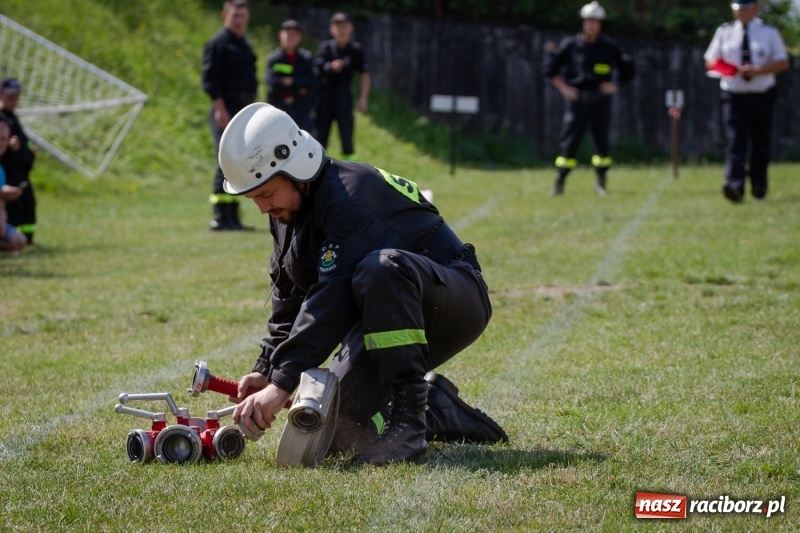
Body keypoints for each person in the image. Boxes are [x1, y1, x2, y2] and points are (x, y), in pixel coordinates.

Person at [221, 103, 508, 466]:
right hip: (391, 308)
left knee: (380, 268)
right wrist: (266, 370)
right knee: (335, 426)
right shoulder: (287, 208)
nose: (262, 207)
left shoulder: (350, 196)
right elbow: (289, 293)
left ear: (293, 167)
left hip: (454, 299)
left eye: (265, 194)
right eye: (253, 198)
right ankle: (433, 406)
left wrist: (282, 385)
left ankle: (409, 426)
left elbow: (330, 300)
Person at [543, 1, 635, 196]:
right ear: (583, 23)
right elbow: (550, 68)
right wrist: (564, 88)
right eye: (588, 21)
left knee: (601, 142)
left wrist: (615, 85)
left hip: (600, 99)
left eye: (595, 21)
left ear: (600, 24)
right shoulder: (570, 45)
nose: (591, 25)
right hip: (577, 100)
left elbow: (628, 68)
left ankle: (601, 182)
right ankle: (560, 181)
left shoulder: (609, 47)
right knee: (570, 141)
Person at [704, 0, 788, 204]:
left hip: (762, 94)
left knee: (760, 142)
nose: (741, 12)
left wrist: (757, 70)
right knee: (736, 140)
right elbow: (710, 59)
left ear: (755, 9)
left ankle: (759, 187)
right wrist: (730, 70)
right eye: (737, 8)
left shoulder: (768, 32)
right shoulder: (724, 32)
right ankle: (734, 186)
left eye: (745, 8)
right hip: (734, 95)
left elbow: (782, 62)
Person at [201, 0, 258, 231]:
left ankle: (233, 217)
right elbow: (210, 80)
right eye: (235, 15)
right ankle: (219, 216)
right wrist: (219, 109)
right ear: (225, 15)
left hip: (242, 112)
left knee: (238, 163)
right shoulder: (218, 44)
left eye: (242, 16)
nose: (238, 20)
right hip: (225, 110)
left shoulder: (244, 45)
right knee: (223, 161)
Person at [314, 12, 370, 161]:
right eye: (337, 27)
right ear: (332, 29)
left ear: (350, 28)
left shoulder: (356, 49)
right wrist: (330, 67)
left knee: (347, 138)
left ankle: (351, 172)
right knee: (320, 139)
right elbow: (316, 70)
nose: (341, 30)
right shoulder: (325, 48)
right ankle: (315, 172)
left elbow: (364, 74)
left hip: (345, 97)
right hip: (325, 98)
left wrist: (363, 99)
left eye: (344, 26)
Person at [0, 78, 38, 245]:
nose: (14, 100)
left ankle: (28, 239)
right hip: (9, 173)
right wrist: (9, 146)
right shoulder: (2, 118)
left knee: (28, 205)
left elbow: (22, 140)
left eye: (16, 97)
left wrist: (29, 149)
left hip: (22, 172)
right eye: (10, 97)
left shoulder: (14, 117)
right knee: (13, 207)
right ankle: (8, 239)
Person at [265, 20, 318, 135]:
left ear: (300, 37)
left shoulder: (306, 58)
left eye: (294, 34)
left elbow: (312, 83)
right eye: (288, 33)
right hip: (278, 114)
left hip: (302, 114)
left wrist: (292, 81)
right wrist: (300, 87)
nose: (291, 37)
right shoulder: (274, 59)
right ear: (280, 35)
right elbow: (273, 85)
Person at [0, 119, 27, 253]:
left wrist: (2, 222)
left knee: (20, 241)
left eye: (3, 139)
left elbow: (1, 205)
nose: (1, 143)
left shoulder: (1, 170)